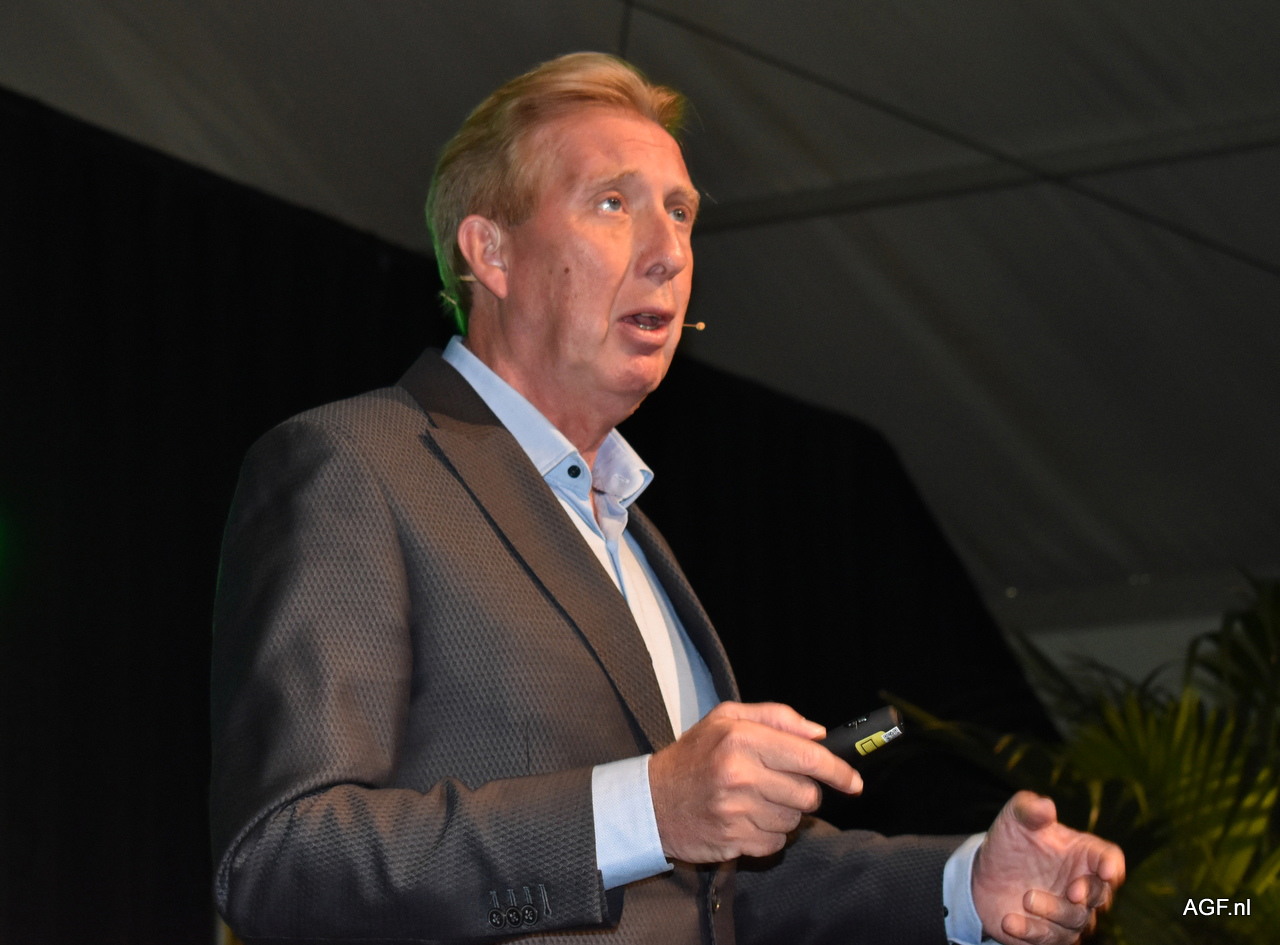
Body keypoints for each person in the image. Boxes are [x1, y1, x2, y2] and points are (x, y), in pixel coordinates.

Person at [210, 52, 1123, 945]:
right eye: (613, 203)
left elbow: (716, 892)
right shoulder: (358, 465)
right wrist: (648, 805)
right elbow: (285, 862)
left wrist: (961, 885)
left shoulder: (631, 532)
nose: (669, 253)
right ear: (491, 251)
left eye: (680, 214)